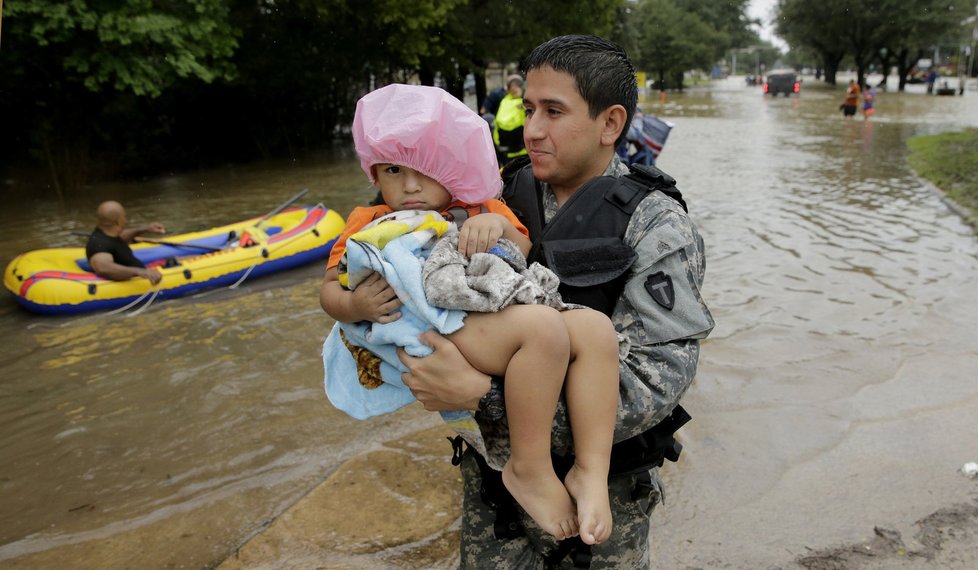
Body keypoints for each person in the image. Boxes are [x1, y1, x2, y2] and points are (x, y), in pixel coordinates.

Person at [396, 35, 714, 568]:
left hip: (606, 501)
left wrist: (483, 395)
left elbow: (652, 384)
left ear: (610, 124)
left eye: (554, 111)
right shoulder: (491, 196)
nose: (532, 128)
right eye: (529, 108)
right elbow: (412, 289)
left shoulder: (655, 225)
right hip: (496, 495)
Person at [320, 83, 621, 544]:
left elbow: (522, 248)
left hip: (488, 315)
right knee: (542, 330)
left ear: (454, 167)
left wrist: (495, 224)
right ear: (374, 171)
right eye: (394, 169)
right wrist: (355, 304)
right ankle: (529, 467)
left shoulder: (478, 208)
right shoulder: (369, 224)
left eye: (425, 169)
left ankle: (590, 470)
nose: (411, 185)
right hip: (441, 327)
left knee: (597, 330)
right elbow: (329, 292)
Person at [86, 201, 166, 285]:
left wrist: (145, 229)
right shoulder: (99, 246)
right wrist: (140, 271)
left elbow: (119, 237)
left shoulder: (105, 233)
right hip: (136, 278)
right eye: (124, 216)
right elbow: (103, 267)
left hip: (140, 268)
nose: (125, 219)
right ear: (118, 221)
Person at [492, 74, 528, 165]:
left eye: (517, 86)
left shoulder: (504, 102)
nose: (515, 89)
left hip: (508, 150)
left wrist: (499, 144)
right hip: (523, 149)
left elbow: (497, 125)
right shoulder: (525, 103)